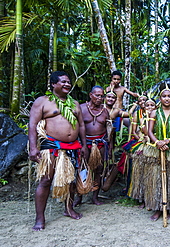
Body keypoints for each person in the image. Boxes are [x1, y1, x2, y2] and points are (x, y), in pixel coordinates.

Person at [28, 71, 87, 231]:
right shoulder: (43, 102)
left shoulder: (74, 103)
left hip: (73, 146)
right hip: (51, 146)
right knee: (46, 180)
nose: (67, 84)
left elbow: (81, 125)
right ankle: (40, 217)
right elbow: (32, 125)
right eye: (63, 82)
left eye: (69, 82)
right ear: (53, 84)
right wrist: (33, 148)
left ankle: (69, 209)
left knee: (71, 180)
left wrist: (84, 144)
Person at [143, 85, 170, 221]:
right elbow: (149, 131)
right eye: (164, 96)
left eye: (169, 96)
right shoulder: (154, 113)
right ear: (160, 98)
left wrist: (167, 141)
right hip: (156, 148)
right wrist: (157, 142)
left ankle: (169, 206)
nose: (167, 99)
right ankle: (157, 208)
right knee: (156, 178)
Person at [74, 86, 112, 206]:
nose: (100, 98)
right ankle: (79, 195)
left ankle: (95, 197)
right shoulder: (81, 108)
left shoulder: (105, 111)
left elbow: (110, 131)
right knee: (82, 169)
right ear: (90, 95)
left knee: (99, 170)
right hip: (85, 144)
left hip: (100, 144)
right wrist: (80, 145)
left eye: (102, 96)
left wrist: (109, 148)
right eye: (97, 95)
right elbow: (75, 127)